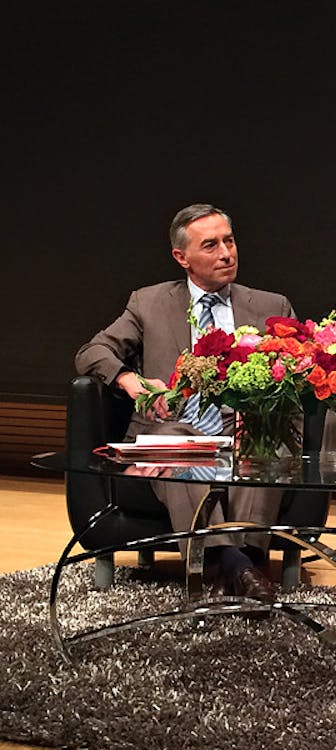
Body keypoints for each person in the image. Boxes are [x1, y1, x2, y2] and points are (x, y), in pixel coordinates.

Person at [76, 203, 295, 603]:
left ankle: (234, 564)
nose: (226, 253)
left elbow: (298, 372)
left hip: (241, 427)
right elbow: (92, 352)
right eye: (210, 245)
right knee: (177, 443)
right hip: (172, 426)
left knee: (263, 441)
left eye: (229, 241)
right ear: (182, 257)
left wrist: (267, 417)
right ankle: (240, 567)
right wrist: (128, 379)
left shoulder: (271, 307)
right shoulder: (148, 303)